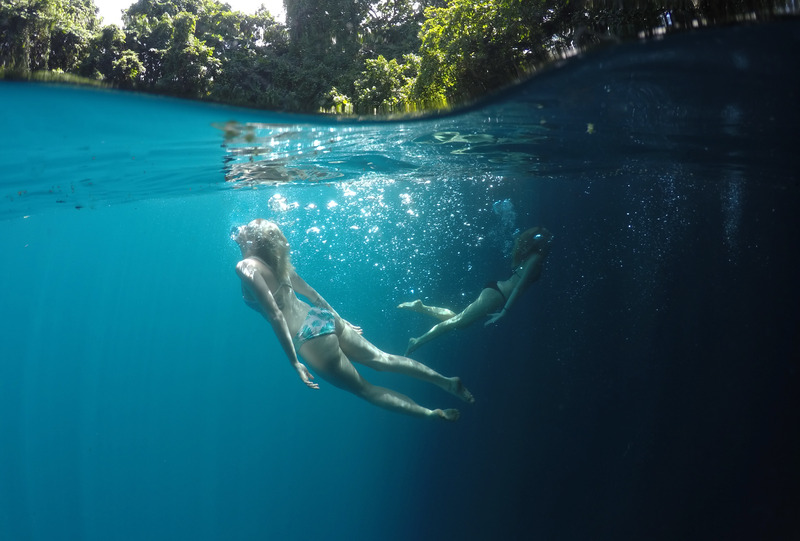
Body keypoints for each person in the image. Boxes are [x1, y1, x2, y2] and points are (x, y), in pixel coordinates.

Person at [233, 219, 474, 422]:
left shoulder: (245, 266)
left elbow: (275, 315)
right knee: (383, 359)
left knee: (365, 390)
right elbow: (312, 294)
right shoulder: (278, 262)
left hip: (308, 337)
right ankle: (446, 382)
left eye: (247, 231)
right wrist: (340, 320)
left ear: (255, 241)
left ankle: (431, 414)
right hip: (321, 317)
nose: (241, 231)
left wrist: (294, 361)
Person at [398, 227, 553, 355]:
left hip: (496, 290)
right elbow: (519, 287)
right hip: (498, 296)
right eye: (548, 239)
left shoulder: (531, 256)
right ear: (541, 242)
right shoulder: (536, 258)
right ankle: (417, 341)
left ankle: (422, 307)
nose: (551, 242)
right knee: (456, 323)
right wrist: (504, 312)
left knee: (459, 321)